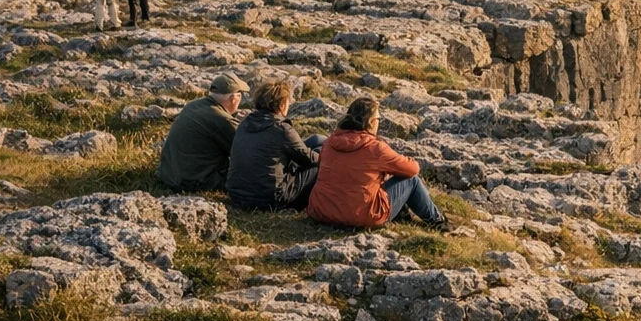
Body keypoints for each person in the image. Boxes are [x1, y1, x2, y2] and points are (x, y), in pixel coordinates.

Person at [307, 97, 447, 229]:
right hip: (361, 216)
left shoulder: (329, 143)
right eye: (379, 118)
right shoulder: (375, 148)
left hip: (322, 212)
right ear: (371, 122)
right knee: (412, 181)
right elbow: (412, 169)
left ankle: (405, 215)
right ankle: (437, 221)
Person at [227, 79, 325, 211]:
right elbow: (307, 158)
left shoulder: (244, 124)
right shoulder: (281, 129)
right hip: (268, 199)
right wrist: (324, 155)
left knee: (316, 140)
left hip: (236, 195)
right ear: (282, 104)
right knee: (319, 165)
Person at [157, 73, 248, 192]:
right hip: (196, 181)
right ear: (233, 98)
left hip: (168, 175)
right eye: (240, 96)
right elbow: (245, 151)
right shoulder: (222, 120)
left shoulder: (193, 105)